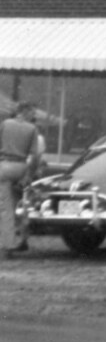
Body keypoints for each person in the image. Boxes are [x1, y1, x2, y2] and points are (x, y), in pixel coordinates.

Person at [0, 102, 42, 259]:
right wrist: (29, 175)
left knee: (6, 209)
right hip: (22, 166)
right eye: (32, 112)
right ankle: (24, 239)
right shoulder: (32, 129)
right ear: (25, 112)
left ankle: (8, 246)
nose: (34, 116)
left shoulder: (5, 124)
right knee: (24, 204)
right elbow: (35, 156)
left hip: (4, 166)